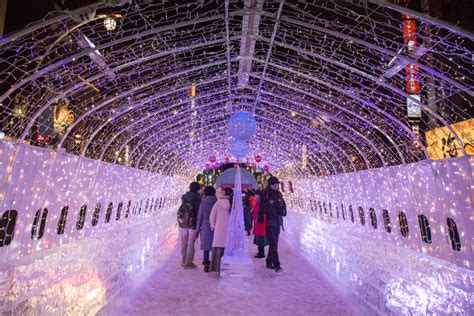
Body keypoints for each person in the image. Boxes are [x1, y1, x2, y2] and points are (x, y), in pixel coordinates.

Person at [258, 176, 286, 272]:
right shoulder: (266, 194)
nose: (276, 186)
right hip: (269, 222)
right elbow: (262, 207)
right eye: (274, 184)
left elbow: (283, 205)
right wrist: (270, 210)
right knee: (273, 243)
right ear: (270, 185)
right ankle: (277, 264)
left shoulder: (279, 194)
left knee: (274, 244)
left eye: (277, 184)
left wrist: (282, 210)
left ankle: (268, 261)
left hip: (277, 222)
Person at [209, 187, 233, 273]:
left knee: (218, 248)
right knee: (228, 248)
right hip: (229, 230)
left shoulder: (218, 203)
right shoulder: (232, 203)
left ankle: (216, 268)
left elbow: (212, 216)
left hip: (219, 229)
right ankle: (228, 269)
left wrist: (213, 225)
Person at [179, 182, 201, 269]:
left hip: (183, 222)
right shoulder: (198, 199)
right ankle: (188, 263)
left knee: (184, 242)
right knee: (191, 243)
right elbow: (198, 212)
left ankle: (183, 260)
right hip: (193, 223)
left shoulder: (184, 197)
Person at [195, 186, 217, 272]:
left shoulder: (203, 202)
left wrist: (197, 229)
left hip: (205, 226)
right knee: (215, 245)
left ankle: (206, 263)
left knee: (206, 246)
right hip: (216, 226)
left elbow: (199, 217)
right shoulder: (217, 202)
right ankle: (215, 263)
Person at [252, 190, 268, 258]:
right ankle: (260, 252)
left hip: (261, 225)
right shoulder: (258, 203)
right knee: (259, 239)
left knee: (261, 239)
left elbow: (264, 215)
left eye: (255, 195)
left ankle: (261, 253)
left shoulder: (262, 204)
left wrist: (263, 223)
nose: (254, 197)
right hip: (258, 224)